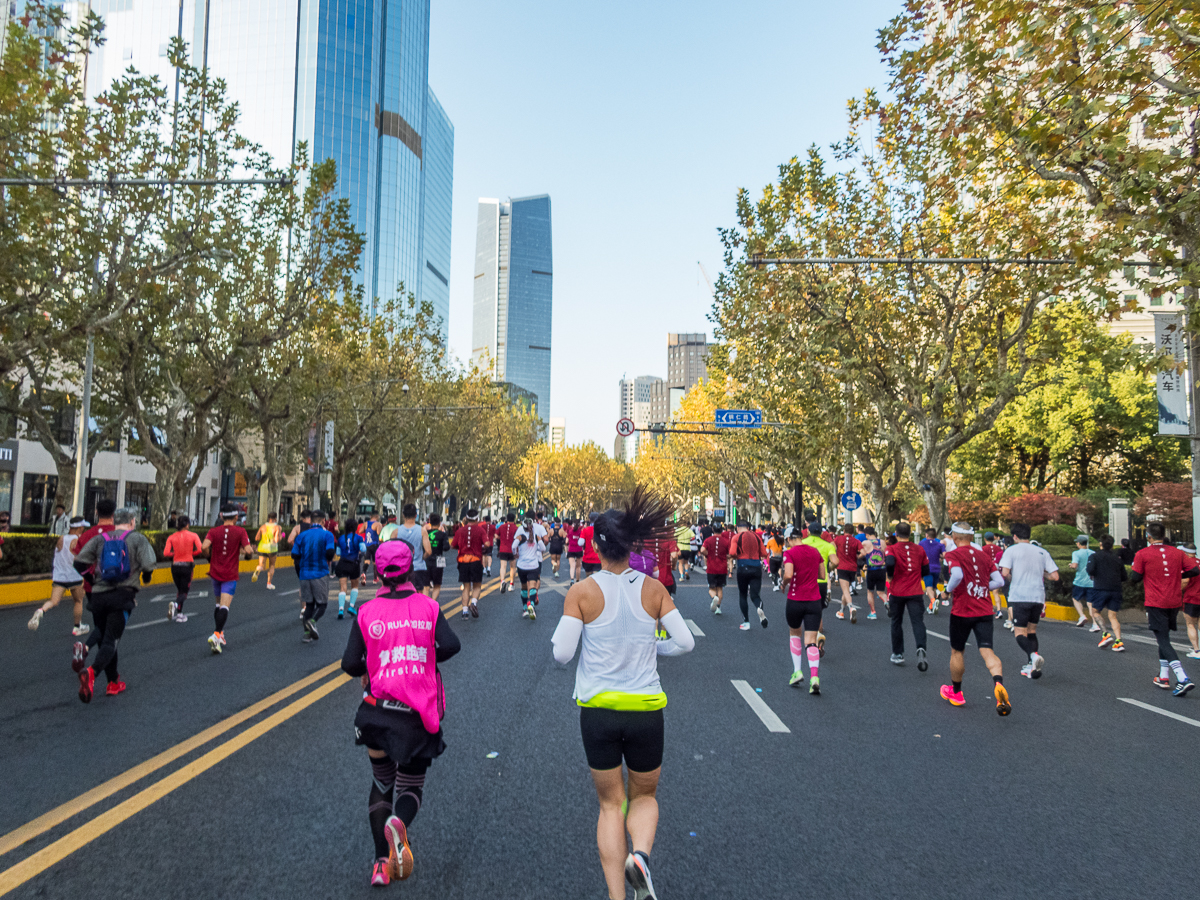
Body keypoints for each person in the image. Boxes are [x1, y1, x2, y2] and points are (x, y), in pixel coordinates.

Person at [550, 487, 695, 900]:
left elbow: (562, 654)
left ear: (596, 545)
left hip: (598, 712)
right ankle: (642, 857)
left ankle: (617, 896)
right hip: (647, 710)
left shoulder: (582, 592)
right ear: (631, 543)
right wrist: (655, 647)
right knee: (644, 796)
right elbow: (685, 643)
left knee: (611, 806)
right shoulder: (653, 589)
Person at [340, 539, 461, 887]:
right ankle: (400, 824)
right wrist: (422, 657)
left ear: (379, 572)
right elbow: (451, 644)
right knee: (411, 784)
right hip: (416, 715)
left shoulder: (366, 612)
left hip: (376, 713)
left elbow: (350, 663)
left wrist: (375, 663)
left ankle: (380, 863)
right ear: (410, 570)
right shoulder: (428, 607)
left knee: (381, 781)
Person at [70, 507, 157, 702]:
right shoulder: (137, 539)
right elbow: (149, 565)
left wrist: (92, 581)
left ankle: (113, 681)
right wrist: (146, 577)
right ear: (132, 521)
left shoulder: (101, 539)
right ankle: (91, 673)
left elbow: (79, 563)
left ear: (114, 521)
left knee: (102, 631)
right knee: (111, 640)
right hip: (122, 596)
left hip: (99, 596)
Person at [939, 523, 1011, 714]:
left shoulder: (953, 554)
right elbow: (999, 581)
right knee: (987, 651)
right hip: (985, 610)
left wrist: (947, 590)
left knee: (957, 652)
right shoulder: (984, 556)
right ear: (971, 537)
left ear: (955, 537)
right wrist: (982, 588)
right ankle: (998, 683)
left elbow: (957, 574)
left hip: (962, 611)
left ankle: (956, 692)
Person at [1131, 522, 1198, 696]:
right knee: (1164, 636)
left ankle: (1182, 677)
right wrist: (1178, 574)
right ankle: (1163, 675)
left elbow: (1135, 577)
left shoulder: (1142, 554)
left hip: (1155, 601)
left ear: (1148, 536)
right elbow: (1194, 570)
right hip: (1174, 601)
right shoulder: (1177, 553)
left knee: (1162, 639)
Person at [998, 522, 1059, 680]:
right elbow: (1055, 576)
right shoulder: (1041, 552)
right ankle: (1031, 665)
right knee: (1031, 631)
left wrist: (1014, 576)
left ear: (1015, 536)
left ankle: (1033, 656)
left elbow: (1004, 573)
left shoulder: (1011, 551)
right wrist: (1042, 574)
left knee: (1019, 632)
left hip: (1019, 596)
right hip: (1038, 597)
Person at [780, 524, 827, 694]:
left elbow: (788, 574)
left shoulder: (790, 553)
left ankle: (797, 671)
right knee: (811, 640)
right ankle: (814, 677)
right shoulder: (815, 552)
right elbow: (822, 575)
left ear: (788, 539)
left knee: (794, 633)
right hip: (814, 600)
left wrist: (783, 583)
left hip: (795, 600)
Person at [200, 506, 253, 654]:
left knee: (218, 604)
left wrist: (209, 557)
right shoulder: (240, 531)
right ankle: (216, 634)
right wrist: (248, 555)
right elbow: (248, 550)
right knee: (225, 606)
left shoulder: (213, 531)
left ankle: (220, 634)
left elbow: (204, 547)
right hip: (230, 573)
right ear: (236, 517)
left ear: (222, 517)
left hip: (215, 572)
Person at [28, 516, 90, 635]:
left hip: (60, 576)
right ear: (79, 528)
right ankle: (77, 627)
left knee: (53, 601)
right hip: (74, 576)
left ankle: (41, 610)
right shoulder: (79, 540)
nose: (83, 529)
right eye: (82, 527)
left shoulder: (62, 538)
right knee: (78, 601)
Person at [886, 522, 930, 670]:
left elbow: (890, 562)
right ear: (910, 534)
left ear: (896, 534)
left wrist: (890, 575)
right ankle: (921, 648)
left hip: (897, 591)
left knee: (896, 622)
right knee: (918, 622)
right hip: (915, 591)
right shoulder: (919, 549)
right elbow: (925, 570)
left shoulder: (891, 548)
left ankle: (898, 653)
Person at [292, 512, 336, 642]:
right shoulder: (327, 534)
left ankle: (307, 634)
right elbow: (330, 552)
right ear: (323, 520)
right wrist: (328, 560)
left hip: (305, 574)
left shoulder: (302, 535)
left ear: (311, 521)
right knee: (322, 604)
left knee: (309, 605)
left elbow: (294, 554)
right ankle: (312, 622)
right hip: (320, 572)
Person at [1087, 534, 1127, 652]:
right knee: (1113, 616)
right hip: (1116, 589)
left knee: (1095, 612)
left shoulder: (1094, 556)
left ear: (1100, 544)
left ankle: (1106, 634)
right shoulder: (1117, 558)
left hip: (1100, 588)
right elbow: (1124, 576)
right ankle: (1119, 641)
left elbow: (1090, 570)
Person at [728, 520, 769, 631]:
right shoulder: (757, 537)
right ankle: (759, 607)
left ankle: (746, 622)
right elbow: (764, 554)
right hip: (756, 567)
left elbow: (732, 553)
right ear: (748, 527)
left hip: (743, 567)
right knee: (755, 595)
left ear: (737, 528)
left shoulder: (736, 537)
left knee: (743, 594)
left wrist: (736, 556)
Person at [163, 516, 203, 623]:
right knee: (184, 592)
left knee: (180, 591)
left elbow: (166, 553)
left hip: (175, 566)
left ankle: (180, 615)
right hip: (187, 565)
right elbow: (200, 549)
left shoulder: (171, 537)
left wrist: (175, 554)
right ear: (187, 524)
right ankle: (175, 605)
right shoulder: (193, 535)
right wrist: (191, 554)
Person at [451, 509, 488, 619]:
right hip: (476, 560)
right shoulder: (480, 530)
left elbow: (453, 545)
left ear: (466, 519)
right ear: (477, 519)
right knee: (477, 585)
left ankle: (465, 612)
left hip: (463, 560)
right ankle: (474, 603)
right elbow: (487, 543)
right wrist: (482, 547)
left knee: (466, 587)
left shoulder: (460, 531)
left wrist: (461, 547)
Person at [514, 515, 548, 620]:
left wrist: (515, 554)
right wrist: (537, 546)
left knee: (524, 586)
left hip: (522, 565)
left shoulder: (520, 533)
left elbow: (513, 546)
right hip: (534, 563)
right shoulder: (537, 534)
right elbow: (544, 547)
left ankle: (525, 608)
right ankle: (531, 604)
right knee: (534, 584)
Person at [336, 517, 367, 618]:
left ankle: (341, 609)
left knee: (343, 587)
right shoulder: (358, 538)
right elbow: (363, 549)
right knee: (354, 585)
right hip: (354, 564)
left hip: (343, 563)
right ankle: (351, 606)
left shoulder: (341, 538)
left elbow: (338, 552)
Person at [394, 505, 428, 597]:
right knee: (419, 593)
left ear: (403, 515)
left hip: (401, 568)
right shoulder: (422, 531)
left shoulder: (396, 532)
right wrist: (421, 558)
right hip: (418, 567)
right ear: (416, 515)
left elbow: (392, 551)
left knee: (402, 594)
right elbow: (428, 551)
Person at [833, 523, 862, 623]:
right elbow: (864, 552)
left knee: (845, 591)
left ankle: (851, 607)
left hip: (842, 567)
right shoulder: (856, 541)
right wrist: (858, 557)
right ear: (853, 532)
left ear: (844, 531)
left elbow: (832, 546)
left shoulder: (838, 539)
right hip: (852, 568)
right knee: (846, 590)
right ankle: (841, 611)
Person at [698, 522, 729, 615]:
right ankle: (718, 608)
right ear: (722, 530)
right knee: (720, 588)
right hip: (722, 568)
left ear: (713, 530)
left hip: (712, 567)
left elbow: (702, 550)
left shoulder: (708, 540)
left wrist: (708, 554)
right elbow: (730, 553)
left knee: (711, 588)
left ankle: (714, 597)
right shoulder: (726, 541)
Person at [1069, 535, 1099, 629]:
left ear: (1078, 543)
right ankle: (1095, 624)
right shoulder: (1093, 553)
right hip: (1091, 582)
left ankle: (1082, 616)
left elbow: (1074, 565)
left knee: (1075, 599)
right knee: (1090, 603)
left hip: (1079, 581)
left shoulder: (1076, 553)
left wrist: (1071, 565)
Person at [858, 526, 885, 620]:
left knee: (870, 591)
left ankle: (873, 612)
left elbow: (862, 553)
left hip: (871, 570)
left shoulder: (865, 543)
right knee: (881, 592)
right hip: (882, 569)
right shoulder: (882, 542)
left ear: (867, 535)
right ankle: (886, 602)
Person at [252, 512, 284, 590]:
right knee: (272, 565)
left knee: (261, 565)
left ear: (268, 518)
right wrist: (282, 536)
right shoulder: (277, 527)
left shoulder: (262, 526)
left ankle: (257, 570)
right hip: (272, 548)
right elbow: (276, 540)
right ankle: (269, 584)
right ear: (275, 518)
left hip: (262, 548)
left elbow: (257, 538)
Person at [919, 527, 945, 615]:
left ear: (926, 535)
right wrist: (939, 556)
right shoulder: (940, 545)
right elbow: (944, 555)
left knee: (928, 588)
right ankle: (931, 607)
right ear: (935, 535)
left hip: (927, 568)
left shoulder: (921, 543)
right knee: (934, 587)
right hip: (937, 568)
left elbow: (918, 555)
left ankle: (933, 601)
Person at [1183, 544, 1200, 661]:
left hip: (1191, 597)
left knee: (1190, 624)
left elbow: (1185, 580)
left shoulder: (1187, 565)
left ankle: (1196, 650)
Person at [494, 513, 518, 593]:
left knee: (503, 566)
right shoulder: (516, 528)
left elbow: (496, 536)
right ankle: (511, 584)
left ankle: (502, 581)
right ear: (514, 519)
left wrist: (502, 538)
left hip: (503, 549)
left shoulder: (501, 527)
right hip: (512, 550)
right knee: (512, 567)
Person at [580, 512, 603, 578]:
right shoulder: (601, 530)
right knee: (597, 579)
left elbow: (580, 543)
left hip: (587, 559)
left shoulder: (585, 530)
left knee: (589, 578)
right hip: (598, 559)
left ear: (589, 519)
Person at [566, 518, 586, 583]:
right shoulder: (581, 531)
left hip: (571, 550)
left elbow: (566, 541)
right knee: (578, 566)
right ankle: (577, 580)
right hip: (579, 550)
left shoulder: (570, 531)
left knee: (572, 566)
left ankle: (572, 579)